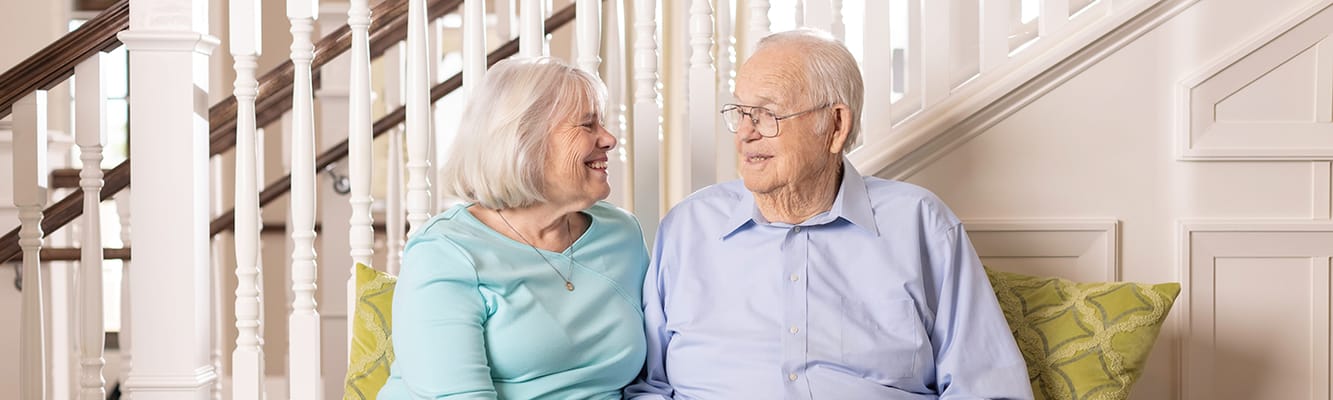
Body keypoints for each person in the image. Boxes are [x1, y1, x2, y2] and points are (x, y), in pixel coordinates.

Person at [624, 29, 1033, 399]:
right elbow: (649, 386)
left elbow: (989, 388)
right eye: (741, 112)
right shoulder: (687, 228)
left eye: (767, 114)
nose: (746, 132)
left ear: (835, 126)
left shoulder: (921, 224)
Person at [378, 57, 649, 400]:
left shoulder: (622, 235)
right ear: (525, 141)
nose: (608, 139)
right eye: (587, 125)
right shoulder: (445, 252)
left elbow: (653, 373)